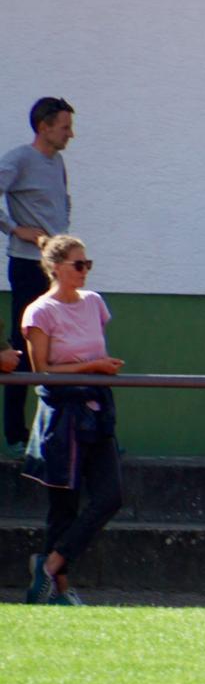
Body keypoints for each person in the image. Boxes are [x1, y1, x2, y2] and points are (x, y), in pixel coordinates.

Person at [20, 235, 121, 606]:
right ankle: (59, 591)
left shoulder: (94, 303)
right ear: (55, 268)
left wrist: (98, 368)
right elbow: (42, 370)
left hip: (96, 409)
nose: (84, 271)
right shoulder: (40, 311)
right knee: (63, 506)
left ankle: (49, 565)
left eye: (87, 264)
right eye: (78, 265)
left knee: (110, 496)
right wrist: (92, 367)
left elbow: (94, 350)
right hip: (62, 415)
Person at [2, 97, 74, 456]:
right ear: (43, 127)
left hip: (56, 267)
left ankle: (63, 435)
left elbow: (61, 204)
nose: (70, 134)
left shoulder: (57, 162)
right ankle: (16, 434)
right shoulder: (19, 159)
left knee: (62, 346)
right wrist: (15, 229)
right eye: (64, 127)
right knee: (24, 346)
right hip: (29, 264)